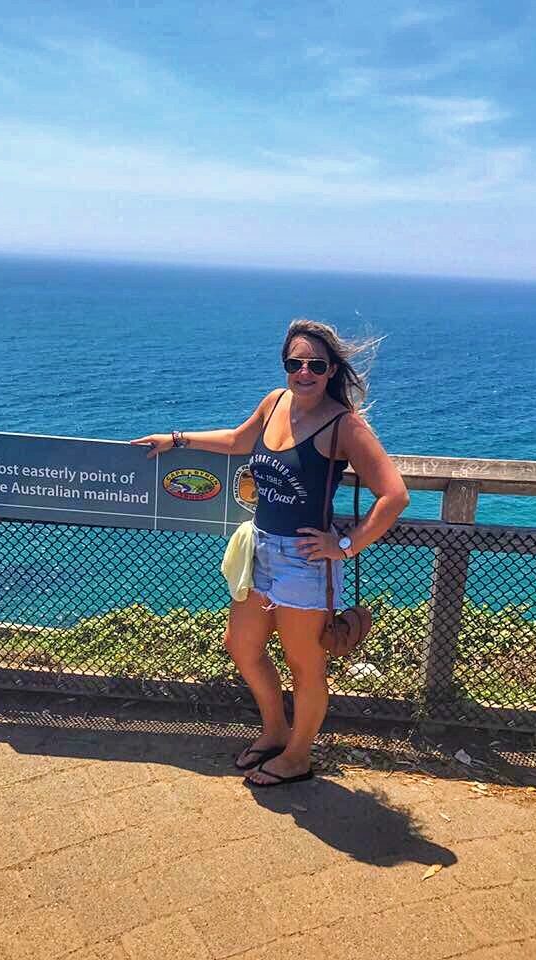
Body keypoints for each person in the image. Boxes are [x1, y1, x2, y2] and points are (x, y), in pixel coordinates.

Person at [131, 319, 409, 787]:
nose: (304, 373)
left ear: (331, 370)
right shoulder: (275, 402)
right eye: (295, 363)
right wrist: (176, 440)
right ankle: (275, 730)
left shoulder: (344, 425)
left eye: (315, 365)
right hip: (260, 550)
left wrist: (344, 546)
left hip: (305, 562)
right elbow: (240, 441)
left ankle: (299, 756)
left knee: (305, 665)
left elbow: (394, 495)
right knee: (241, 646)